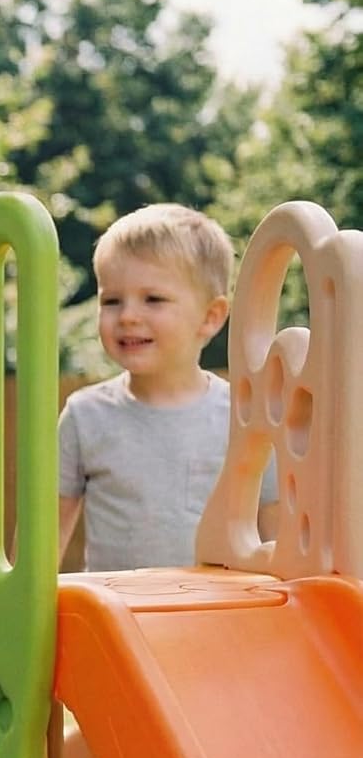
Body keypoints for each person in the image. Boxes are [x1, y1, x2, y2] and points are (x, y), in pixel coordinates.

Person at [58, 203, 278, 571]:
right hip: (115, 622)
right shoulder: (84, 416)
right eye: (111, 300)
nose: (127, 316)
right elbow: (42, 541)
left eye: (153, 299)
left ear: (210, 317)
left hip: (215, 621)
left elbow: (275, 535)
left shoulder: (245, 418)